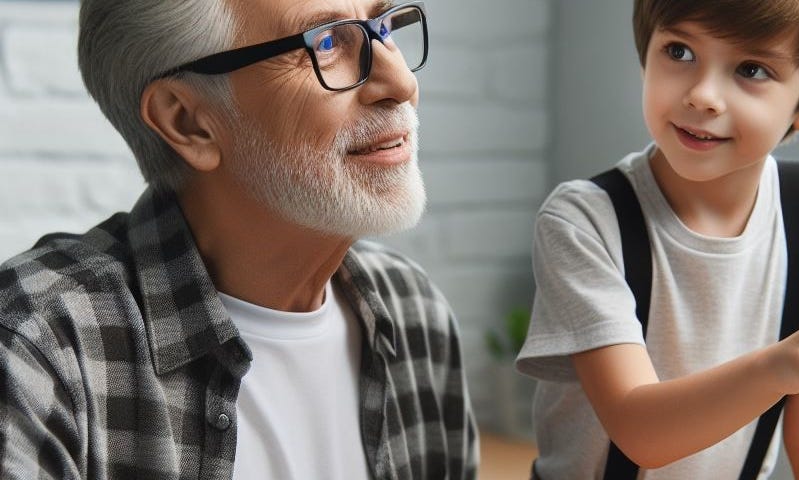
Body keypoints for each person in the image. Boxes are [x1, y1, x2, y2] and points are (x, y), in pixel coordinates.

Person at [0, 0, 477, 479]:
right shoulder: (38, 350)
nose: (401, 84)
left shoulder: (414, 313)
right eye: (327, 42)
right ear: (188, 121)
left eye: (384, 25)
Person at [516, 0, 799, 478]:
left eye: (752, 68)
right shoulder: (584, 219)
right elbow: (639, 429)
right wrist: (782, 365)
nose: (703, 95)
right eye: (680, 51)